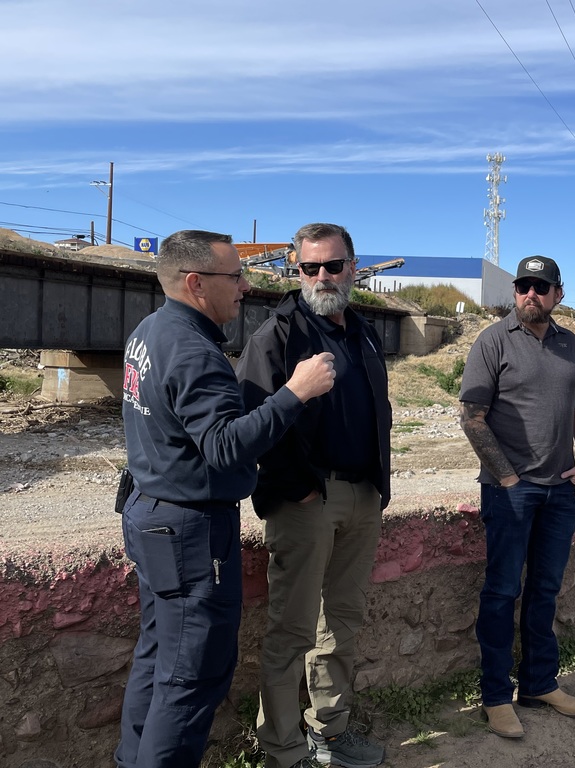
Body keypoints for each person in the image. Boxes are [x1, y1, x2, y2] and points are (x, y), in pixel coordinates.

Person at [118, 230, 336, 768]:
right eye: (234, 276)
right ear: (196, 283)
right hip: (191, 533)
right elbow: (223, 447)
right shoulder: (196, 351)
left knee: (157, 660)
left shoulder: (151, 330)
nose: (245, 285)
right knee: (192, 677)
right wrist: (294, 393)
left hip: (150, 515)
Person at [236, 222, 392, 768]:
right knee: (293, 629)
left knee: (341, 624)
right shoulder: (275, 336)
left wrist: (378, 485)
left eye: (332, 265)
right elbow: (254, 421)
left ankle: (328, 730)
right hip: (306, 500)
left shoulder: (363, 331)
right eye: (310, 268)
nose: (322, 276)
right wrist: (296, 488)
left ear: (353, 266)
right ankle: (281, 747)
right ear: (296, 271)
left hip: (362, 497)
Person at [459, 255, 575, 739]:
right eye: (523, 287)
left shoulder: (570, 343)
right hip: (510, 494)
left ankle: (539, 683)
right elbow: (471, 417)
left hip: (560, 491)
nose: (530, 295)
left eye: (540, 287)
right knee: (501, 594)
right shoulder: (493, 340)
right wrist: (509, 480)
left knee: (545, 591)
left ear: (558, 293)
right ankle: (496, 696)